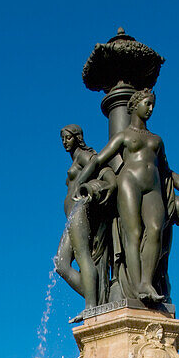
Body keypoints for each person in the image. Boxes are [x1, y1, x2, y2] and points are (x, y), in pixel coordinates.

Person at [76, 89, 179, 307]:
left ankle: (147, 282)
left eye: (153, 104)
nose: (151, 108)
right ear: (135, 106)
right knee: (133, 233)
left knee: (155, 230)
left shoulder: (157, 140)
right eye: (147, 103)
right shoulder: (124, 136)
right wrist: (81, 182)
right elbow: (99, 161)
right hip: (130, 182)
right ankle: (136, 287)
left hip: (153, 186)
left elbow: (168, 172)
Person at [54, 125, 117, 308]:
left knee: (82, 256)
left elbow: (100, 165)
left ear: (77, 138)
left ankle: (91, 306)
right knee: (61, 264)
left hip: (80, 211)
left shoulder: (83, 155)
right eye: (63, 139)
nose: (65, 142)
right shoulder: (75, 160)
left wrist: (87, 182)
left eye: (68, 137)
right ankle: (98, 299)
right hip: (72, 215)